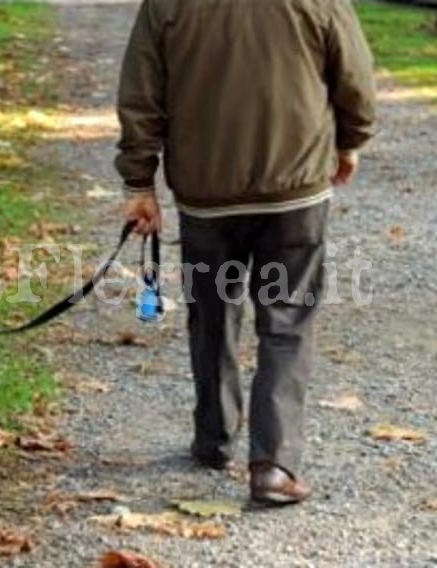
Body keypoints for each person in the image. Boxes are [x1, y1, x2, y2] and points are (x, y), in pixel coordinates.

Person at [115, 0, 376, 505]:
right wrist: (350, 140)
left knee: (212, 312)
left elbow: (141, 91)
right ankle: (274, 465)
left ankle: (213, 437)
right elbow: (354, 77)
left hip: (205, 192)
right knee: (288, 320)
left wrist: (139, 180)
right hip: (294, 188)